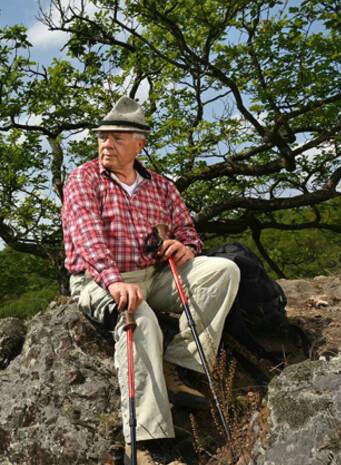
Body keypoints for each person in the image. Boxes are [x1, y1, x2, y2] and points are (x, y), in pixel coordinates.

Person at [61, 97, 240, 465]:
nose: (105, 144)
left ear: (139, 144)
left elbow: (188, 232)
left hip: (155, 275)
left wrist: (184, 247)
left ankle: (178, 367)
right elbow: (87, 236)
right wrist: (113, 282)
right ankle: (144, 443)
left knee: (225, 271)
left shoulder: (162, 186)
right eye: (102, 137)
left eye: (116, 138)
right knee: (138, 319)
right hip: (98, 278)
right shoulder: (84, 178)